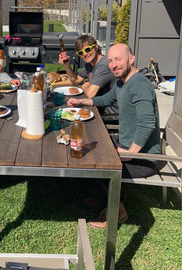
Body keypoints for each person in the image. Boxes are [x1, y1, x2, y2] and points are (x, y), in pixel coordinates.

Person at [68, 43, 163, 229]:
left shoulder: (139, 85)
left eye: (118, 59)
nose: (113, 65)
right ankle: (101, 195)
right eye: (110, 61)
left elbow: (147, 123)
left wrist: (131, 152)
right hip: (125, 143)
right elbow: (105, 99)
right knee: (83, 148)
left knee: (88, 166)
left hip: (145, 158)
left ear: (132, 58)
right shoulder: (122, 82)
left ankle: (116, 210)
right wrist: (81, 101)